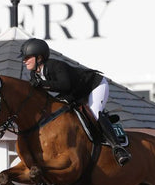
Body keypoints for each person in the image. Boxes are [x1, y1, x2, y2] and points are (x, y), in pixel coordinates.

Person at [19, 38, 131, 166]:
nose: (24, 61)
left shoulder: (55, 66)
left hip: (94, 86)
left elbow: (65, 85)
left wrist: (42, 84)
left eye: (27, 58)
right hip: (76, 91)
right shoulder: (35, 74)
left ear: (39, 58)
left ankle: (118, 149)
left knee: (95, 113)